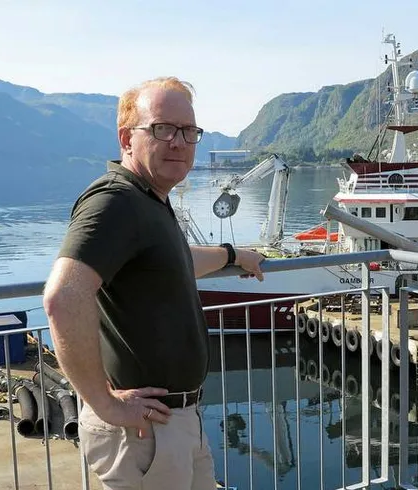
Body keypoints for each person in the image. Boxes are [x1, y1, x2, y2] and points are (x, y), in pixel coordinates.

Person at [42, 77, 266, 490]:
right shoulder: (115, 202)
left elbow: (176, 260)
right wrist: (105, 404)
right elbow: (63, 297)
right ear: (127, 138)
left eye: (188, 131)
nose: (178, 142)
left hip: (179, 423)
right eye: (162, 129)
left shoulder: (150, 200)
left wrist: (233, 255)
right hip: (144, 431)